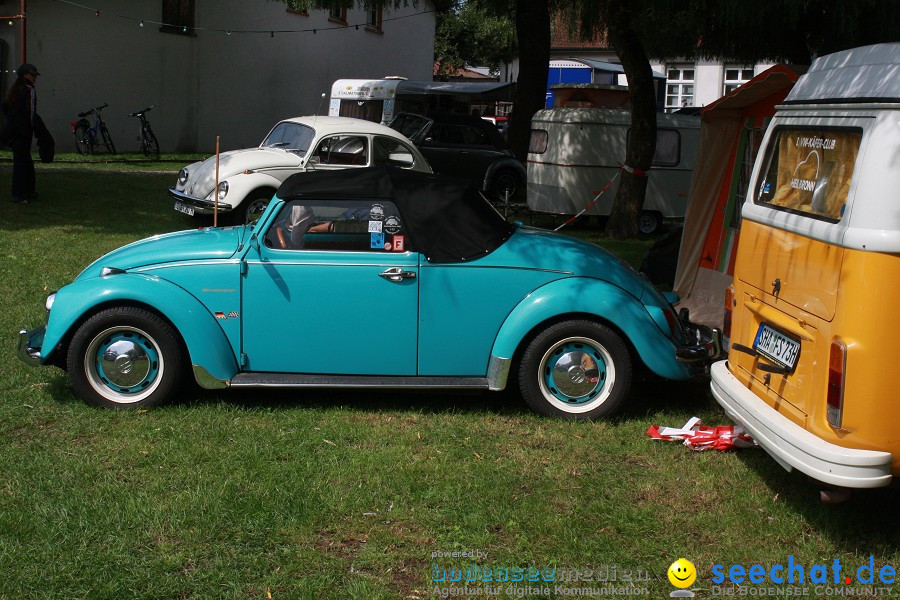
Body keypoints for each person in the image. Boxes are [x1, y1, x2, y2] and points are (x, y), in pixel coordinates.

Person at [1, 63, 40, 203]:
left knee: (25, 162)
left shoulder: (16, 89)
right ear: (26, 75)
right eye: (33, 75)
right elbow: (30, 114)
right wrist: (32, 128)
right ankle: (18, 194)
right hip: (22, 132)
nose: (35, 78)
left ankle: (28, 191)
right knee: (21, 163)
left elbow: (5, 107)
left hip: (16, 131)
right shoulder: (28, 90)